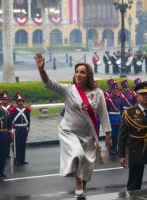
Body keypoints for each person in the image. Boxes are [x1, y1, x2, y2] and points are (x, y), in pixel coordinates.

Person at [34, 53, 112, 197]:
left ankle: (81, 189)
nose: (78, 74)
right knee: (78, 154)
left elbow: (103, 113)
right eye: (76, 72)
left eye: (82, 72)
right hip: (69, 132)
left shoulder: (98, 93)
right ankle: (78, 180)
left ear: (88, 75)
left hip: (89, 135)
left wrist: (108, 134)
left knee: (87, 167)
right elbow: (49, 83)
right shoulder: (68, 90)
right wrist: (41, 70)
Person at [118, 81, 147, 191]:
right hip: (137, 151)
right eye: (143, 94)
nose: (146, 97)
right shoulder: (129, 113)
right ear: (137, 96)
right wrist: (121, 155)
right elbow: (122, 135)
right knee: (134, 185)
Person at [11, 92, 31, 165]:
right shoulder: (13, 110)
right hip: (17, 129)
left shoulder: (26, 110)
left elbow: (28, 120)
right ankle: (17, 159)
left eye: (21, 101)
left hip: (24, 129)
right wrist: (12, 129)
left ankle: (23, 159)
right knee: (17, 145)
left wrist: (28, 127)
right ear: (17, 102)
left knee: (23, 144)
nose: (20, 102)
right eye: (19, 101)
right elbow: (11, 120)